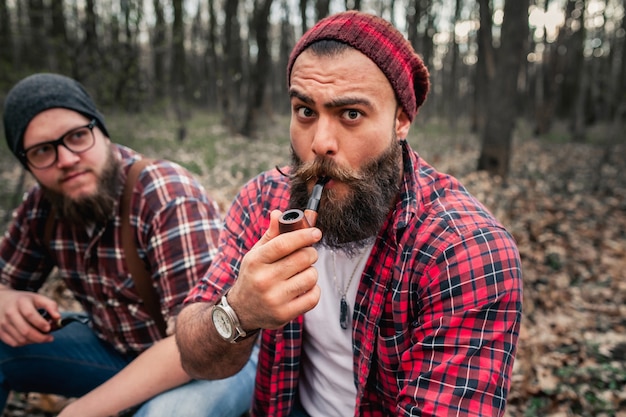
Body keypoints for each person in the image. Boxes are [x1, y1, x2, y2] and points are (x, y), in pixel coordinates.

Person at [175, 10, 523, 417]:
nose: (321, 143)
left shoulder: (462, 251)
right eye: (305, 111)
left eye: (351, 114)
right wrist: (239, 311)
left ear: (401, 120)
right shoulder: (262, 202)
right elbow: (194, 357)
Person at [0, 73, 257, 417]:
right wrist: (5, 298)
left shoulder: (164, 195)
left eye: (77, 136)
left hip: (214, 363)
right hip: (118, 351)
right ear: (27, 162)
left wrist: (81, 411)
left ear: (101, 132)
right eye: (43, 150)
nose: (66, 159)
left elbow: (201, 342)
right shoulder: (42, 206)